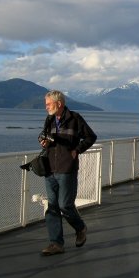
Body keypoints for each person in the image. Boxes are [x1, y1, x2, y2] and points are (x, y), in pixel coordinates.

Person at [40, 90, 97, 256]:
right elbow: (45, 138)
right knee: (52, 207)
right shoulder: (49, 119)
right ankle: (56, 244)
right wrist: (44, 141)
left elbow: (90, 137)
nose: (46, 107)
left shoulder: (75, 118)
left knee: (65, 205)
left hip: (67, 169)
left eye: (48, 104)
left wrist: (77, 150)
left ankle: (80, 228)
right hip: (49, 168)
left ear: (59, 103)